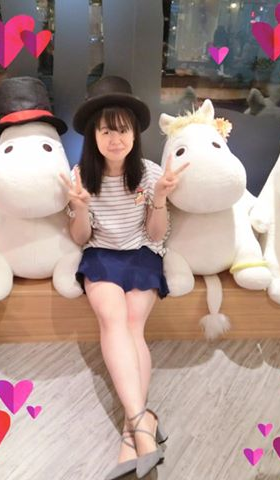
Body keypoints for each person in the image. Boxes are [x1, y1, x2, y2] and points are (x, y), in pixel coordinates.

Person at [61, 76, 189, 479]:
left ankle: (131, 432)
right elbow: (80, 238)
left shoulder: (149, 174)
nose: (115, 139)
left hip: (141, 254)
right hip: (100, 256)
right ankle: (140, 422)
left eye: (123, 130)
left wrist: (161, 198)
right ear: (93, 136)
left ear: (134, 133)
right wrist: (81, 207)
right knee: (113, 318)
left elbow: (155, 235)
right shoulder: (81, 174)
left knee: (134, 325)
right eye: (106, 131)